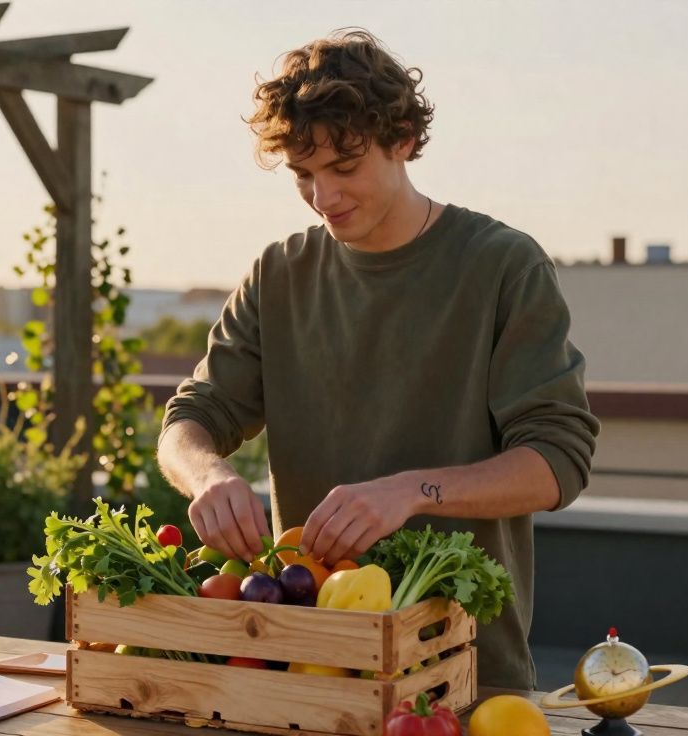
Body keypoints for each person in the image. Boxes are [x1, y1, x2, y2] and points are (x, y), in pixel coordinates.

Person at [156, 28, 600, 690]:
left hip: (462, 676)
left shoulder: (502, 265)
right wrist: (208, 476)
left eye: (343, 169)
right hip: (307, 670)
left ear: (404, 142)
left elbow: (558, 461)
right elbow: (190, 419)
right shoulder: (279, 274)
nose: (323, 197)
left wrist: (410, 491)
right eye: (303, 176)